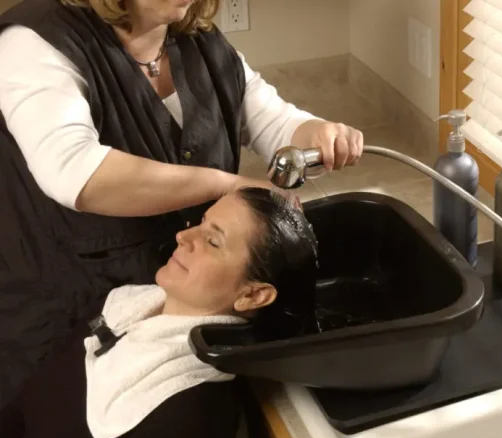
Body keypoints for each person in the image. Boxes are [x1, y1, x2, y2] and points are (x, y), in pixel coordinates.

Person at [0, 0, 362, 408]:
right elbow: (75, 171)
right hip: (63, 319)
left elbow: (273, 120)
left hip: (166, 328)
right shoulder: (35, 43)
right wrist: (223, 184)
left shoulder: (199, 42)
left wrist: (313, 132)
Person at [0, 186, 319, 438]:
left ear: (252, 295)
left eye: (212, 241)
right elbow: (21, 411)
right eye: (202, 222)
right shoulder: (118, 310)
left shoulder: (188, 419)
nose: (185, 236)